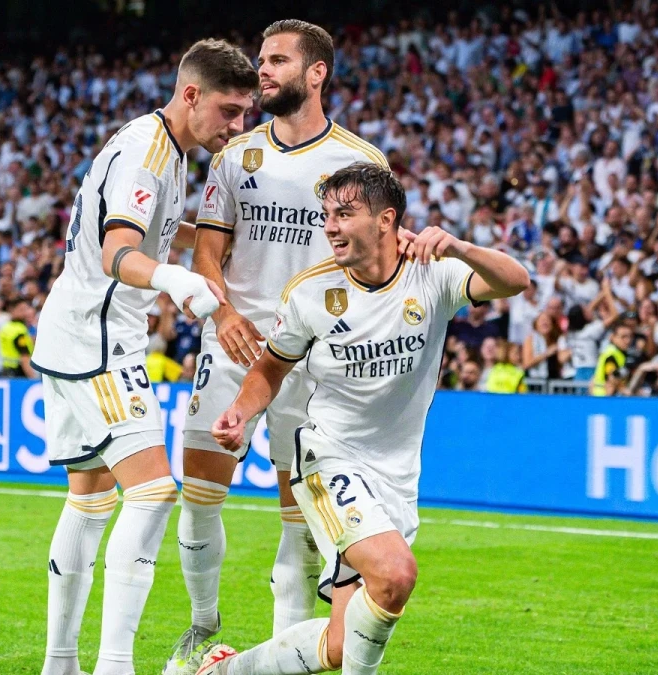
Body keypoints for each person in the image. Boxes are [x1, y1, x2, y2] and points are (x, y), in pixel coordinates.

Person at [186, 163, 528, 675]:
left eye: (345, 214)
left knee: (341, 646)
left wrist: (458, 247)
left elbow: (515, 281)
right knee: (394, 574)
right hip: (327, 458)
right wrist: (240, 409)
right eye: (327, 214)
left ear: (386, 220)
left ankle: (218, 671)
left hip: (396, 473)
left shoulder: (431, 273)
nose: (329, 226)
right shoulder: (309, 292)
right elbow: (270, 368)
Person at [28, 40, 257, 675]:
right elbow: (119, 252)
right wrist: (176, 281)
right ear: (191, 95)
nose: (237, 126)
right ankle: (114, 665)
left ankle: (60, 663)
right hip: (99, 339)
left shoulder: (164, 148)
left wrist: (218, 240)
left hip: (74, 329)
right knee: (154, 493)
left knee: (90, 498)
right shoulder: (148, 155)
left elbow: (156, 229)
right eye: (230, 111)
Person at [169, 20, 393, 669]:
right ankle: (202, 624)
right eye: (261, 61)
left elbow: (373, 266)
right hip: (233, 342)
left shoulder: (360, 162)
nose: (262, 71)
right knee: (200, 491)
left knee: (297, 519)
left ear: (316, 72)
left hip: (313, 355)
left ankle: (274, 657)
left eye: (276, 61)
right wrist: (224, 314)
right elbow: (208, 251)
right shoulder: (235, 155)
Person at [592, 323, 634, 396]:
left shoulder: (621, 353)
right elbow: (612, 377)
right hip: (604, 396)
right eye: (623, 337)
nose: (628, 340)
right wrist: (624, 390)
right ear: (613, 337)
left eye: (630, 337)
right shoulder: (611, 354)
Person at [0, 299, 36, 378]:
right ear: (12, 310)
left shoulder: (6, 327)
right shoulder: (19, 330)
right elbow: (24, 357)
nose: (25, 313)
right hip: (18, 373)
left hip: (6, 371)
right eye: (21, 310)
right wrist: (33, 378)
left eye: (26, 309)